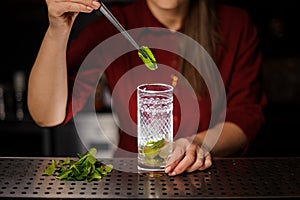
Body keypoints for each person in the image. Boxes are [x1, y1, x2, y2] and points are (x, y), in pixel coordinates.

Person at [27, 0, 266, 176]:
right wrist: (57, 29)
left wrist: (197, 144)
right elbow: (46, 115)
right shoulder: (112, 27)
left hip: (216, 181)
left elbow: (246, 116)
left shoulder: (236, 24)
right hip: (132, 182)